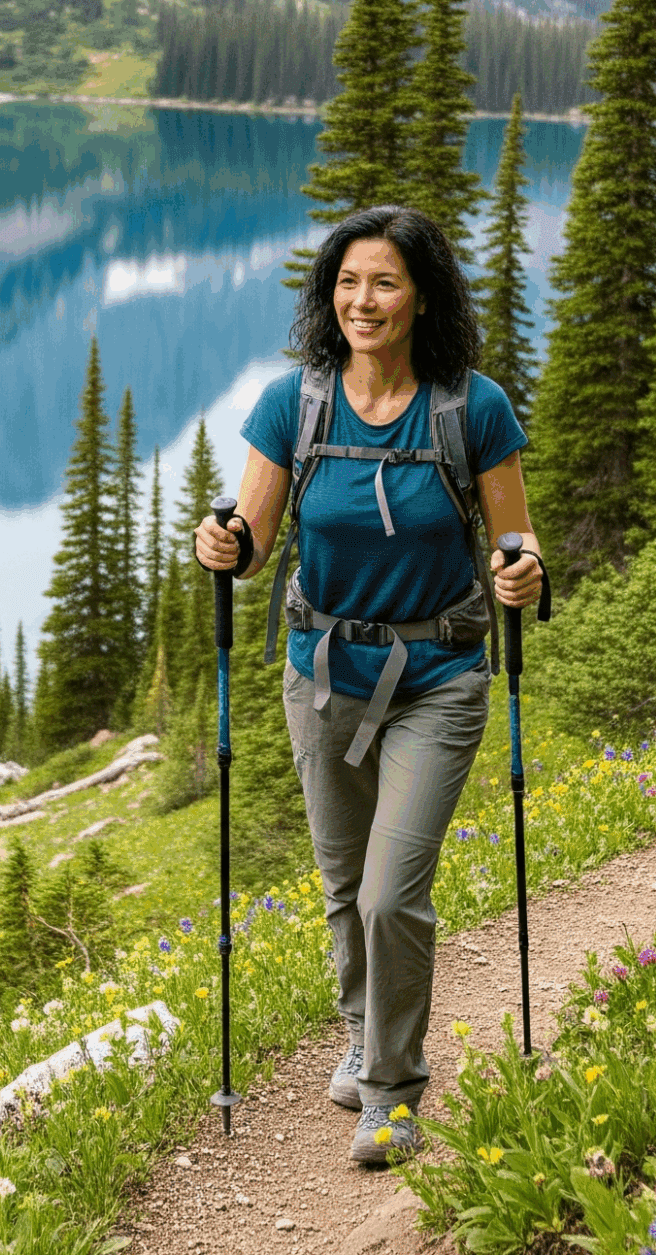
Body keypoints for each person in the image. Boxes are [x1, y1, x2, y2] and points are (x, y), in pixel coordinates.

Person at [193, 204, 542, 1165]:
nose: (363, 301)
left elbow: (518, 545)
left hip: (439, 678)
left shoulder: (474, 408)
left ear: (423, 295)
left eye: (383, 282)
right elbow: (253, 547)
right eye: (347, 283)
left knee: (392, 895)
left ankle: (393, 1089)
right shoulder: (292, 405)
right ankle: (363, 1031)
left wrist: (522, 575)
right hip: (321, 676)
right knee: (345, 889)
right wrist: (221, 545)